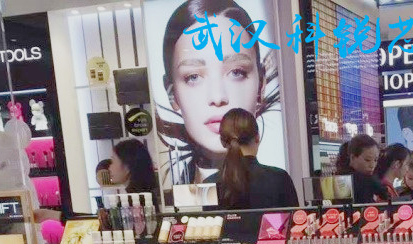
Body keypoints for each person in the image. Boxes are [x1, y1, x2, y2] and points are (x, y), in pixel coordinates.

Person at [158, 0, 278, 185]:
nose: (218, 97)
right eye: (193, 77)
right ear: (172, 94)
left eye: (237, 72)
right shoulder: (278, 179)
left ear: (261, 84)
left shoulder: (274, 180)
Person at [211, 107, 298, 209]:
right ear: (257, 137)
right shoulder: (280, 179)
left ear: (222, 142)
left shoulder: (209, 185)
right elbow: (296, 218)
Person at [335, 134, 384, 203]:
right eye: (367, 160)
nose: (372, 165)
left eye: (376, 160)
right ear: (352, 158)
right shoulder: (364, 181)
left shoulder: (338, 178)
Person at [109, 139, 159, 204]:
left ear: (127, 167)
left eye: (113, 161)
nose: (109, 168)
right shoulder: (148, 197)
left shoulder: (131, 204)